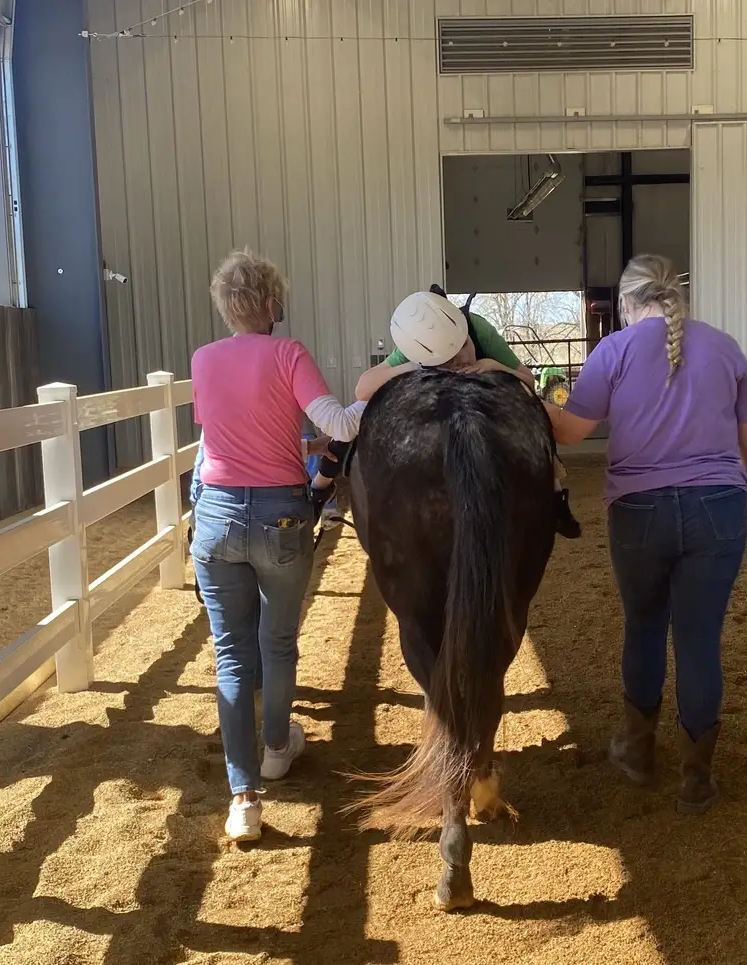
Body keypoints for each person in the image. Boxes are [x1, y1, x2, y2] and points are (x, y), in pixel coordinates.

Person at [543, 254, 747, 814]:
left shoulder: (613, 351)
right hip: (719, 505)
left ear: (625, 304)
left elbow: (571, 432)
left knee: (644, 628)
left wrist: (528, 398)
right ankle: (697, 777)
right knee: (699, 641)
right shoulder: (724, 345)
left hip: (639, 511)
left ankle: (639, 753)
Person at [191, 247, 366, 842]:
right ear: (270, 303)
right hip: (280, 519)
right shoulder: (288, 353)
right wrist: (379, 386)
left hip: (217, 516)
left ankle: (243, 797)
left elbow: (234, 436)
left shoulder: (204, 360)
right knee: (279, 641)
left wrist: (302, 446)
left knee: (232, 654)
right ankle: (275, 747)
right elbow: (342, 425)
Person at [350, 287, 582, 539]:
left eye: (463, 346)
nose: (460, 358)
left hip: (490, 387)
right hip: (437, 396)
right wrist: (416, 363)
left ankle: (555, 491)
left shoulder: (478, 327)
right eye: (447, 358)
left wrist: (492, 365)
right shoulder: (416, 341)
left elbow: (527, 380)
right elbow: (363, 388)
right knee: (350, 432)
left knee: (536, 414)